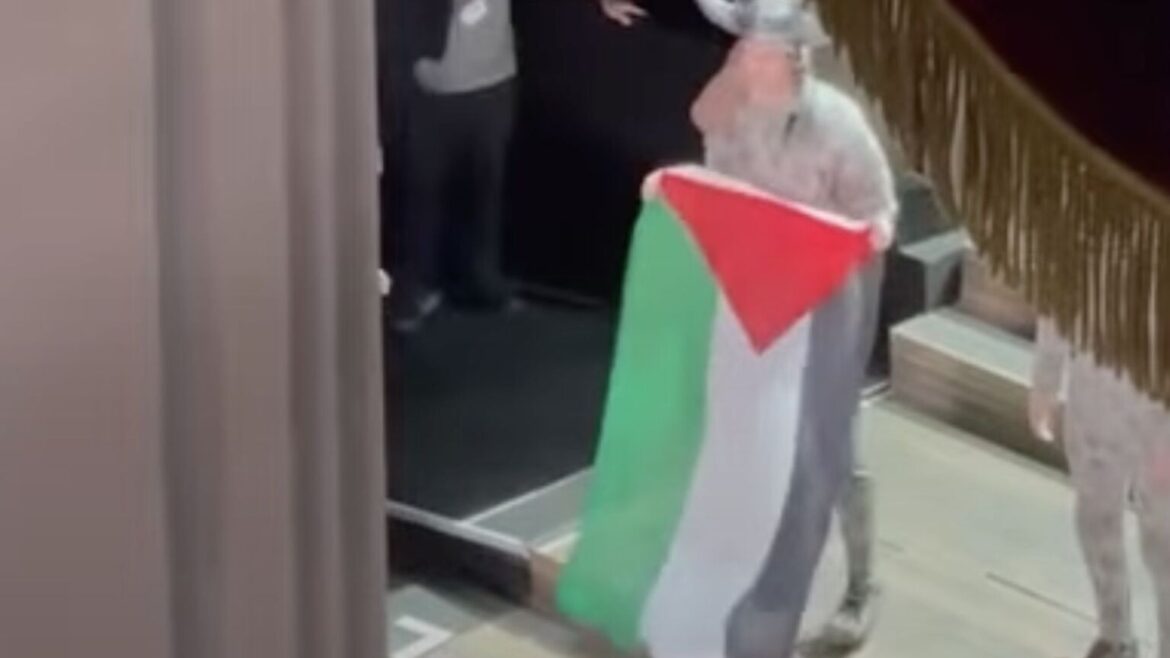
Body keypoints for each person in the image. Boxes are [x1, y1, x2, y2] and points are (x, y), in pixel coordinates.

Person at [607, 1, 889, 654]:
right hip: (748, 295)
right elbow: (705, 133)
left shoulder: (837, 124)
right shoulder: (731, 106)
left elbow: (878, 218)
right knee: (735, 440)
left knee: (831, 447)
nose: (743, 60)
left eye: (759, 54)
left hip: (821, 302)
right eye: (742, 52)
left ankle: (861, 581)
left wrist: (824, 241)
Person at [1031, 319, 1170, 658]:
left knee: (1163, 538)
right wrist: (1046, 379)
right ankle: (1114, 634)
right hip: (1096, 393)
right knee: (1095, 519)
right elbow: (1059, 302)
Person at [389, 0, 520, 332]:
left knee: (486, 187)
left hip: (495, 75)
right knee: (422, 193)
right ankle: (415, 289)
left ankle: (480, 279)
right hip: (434, 82)